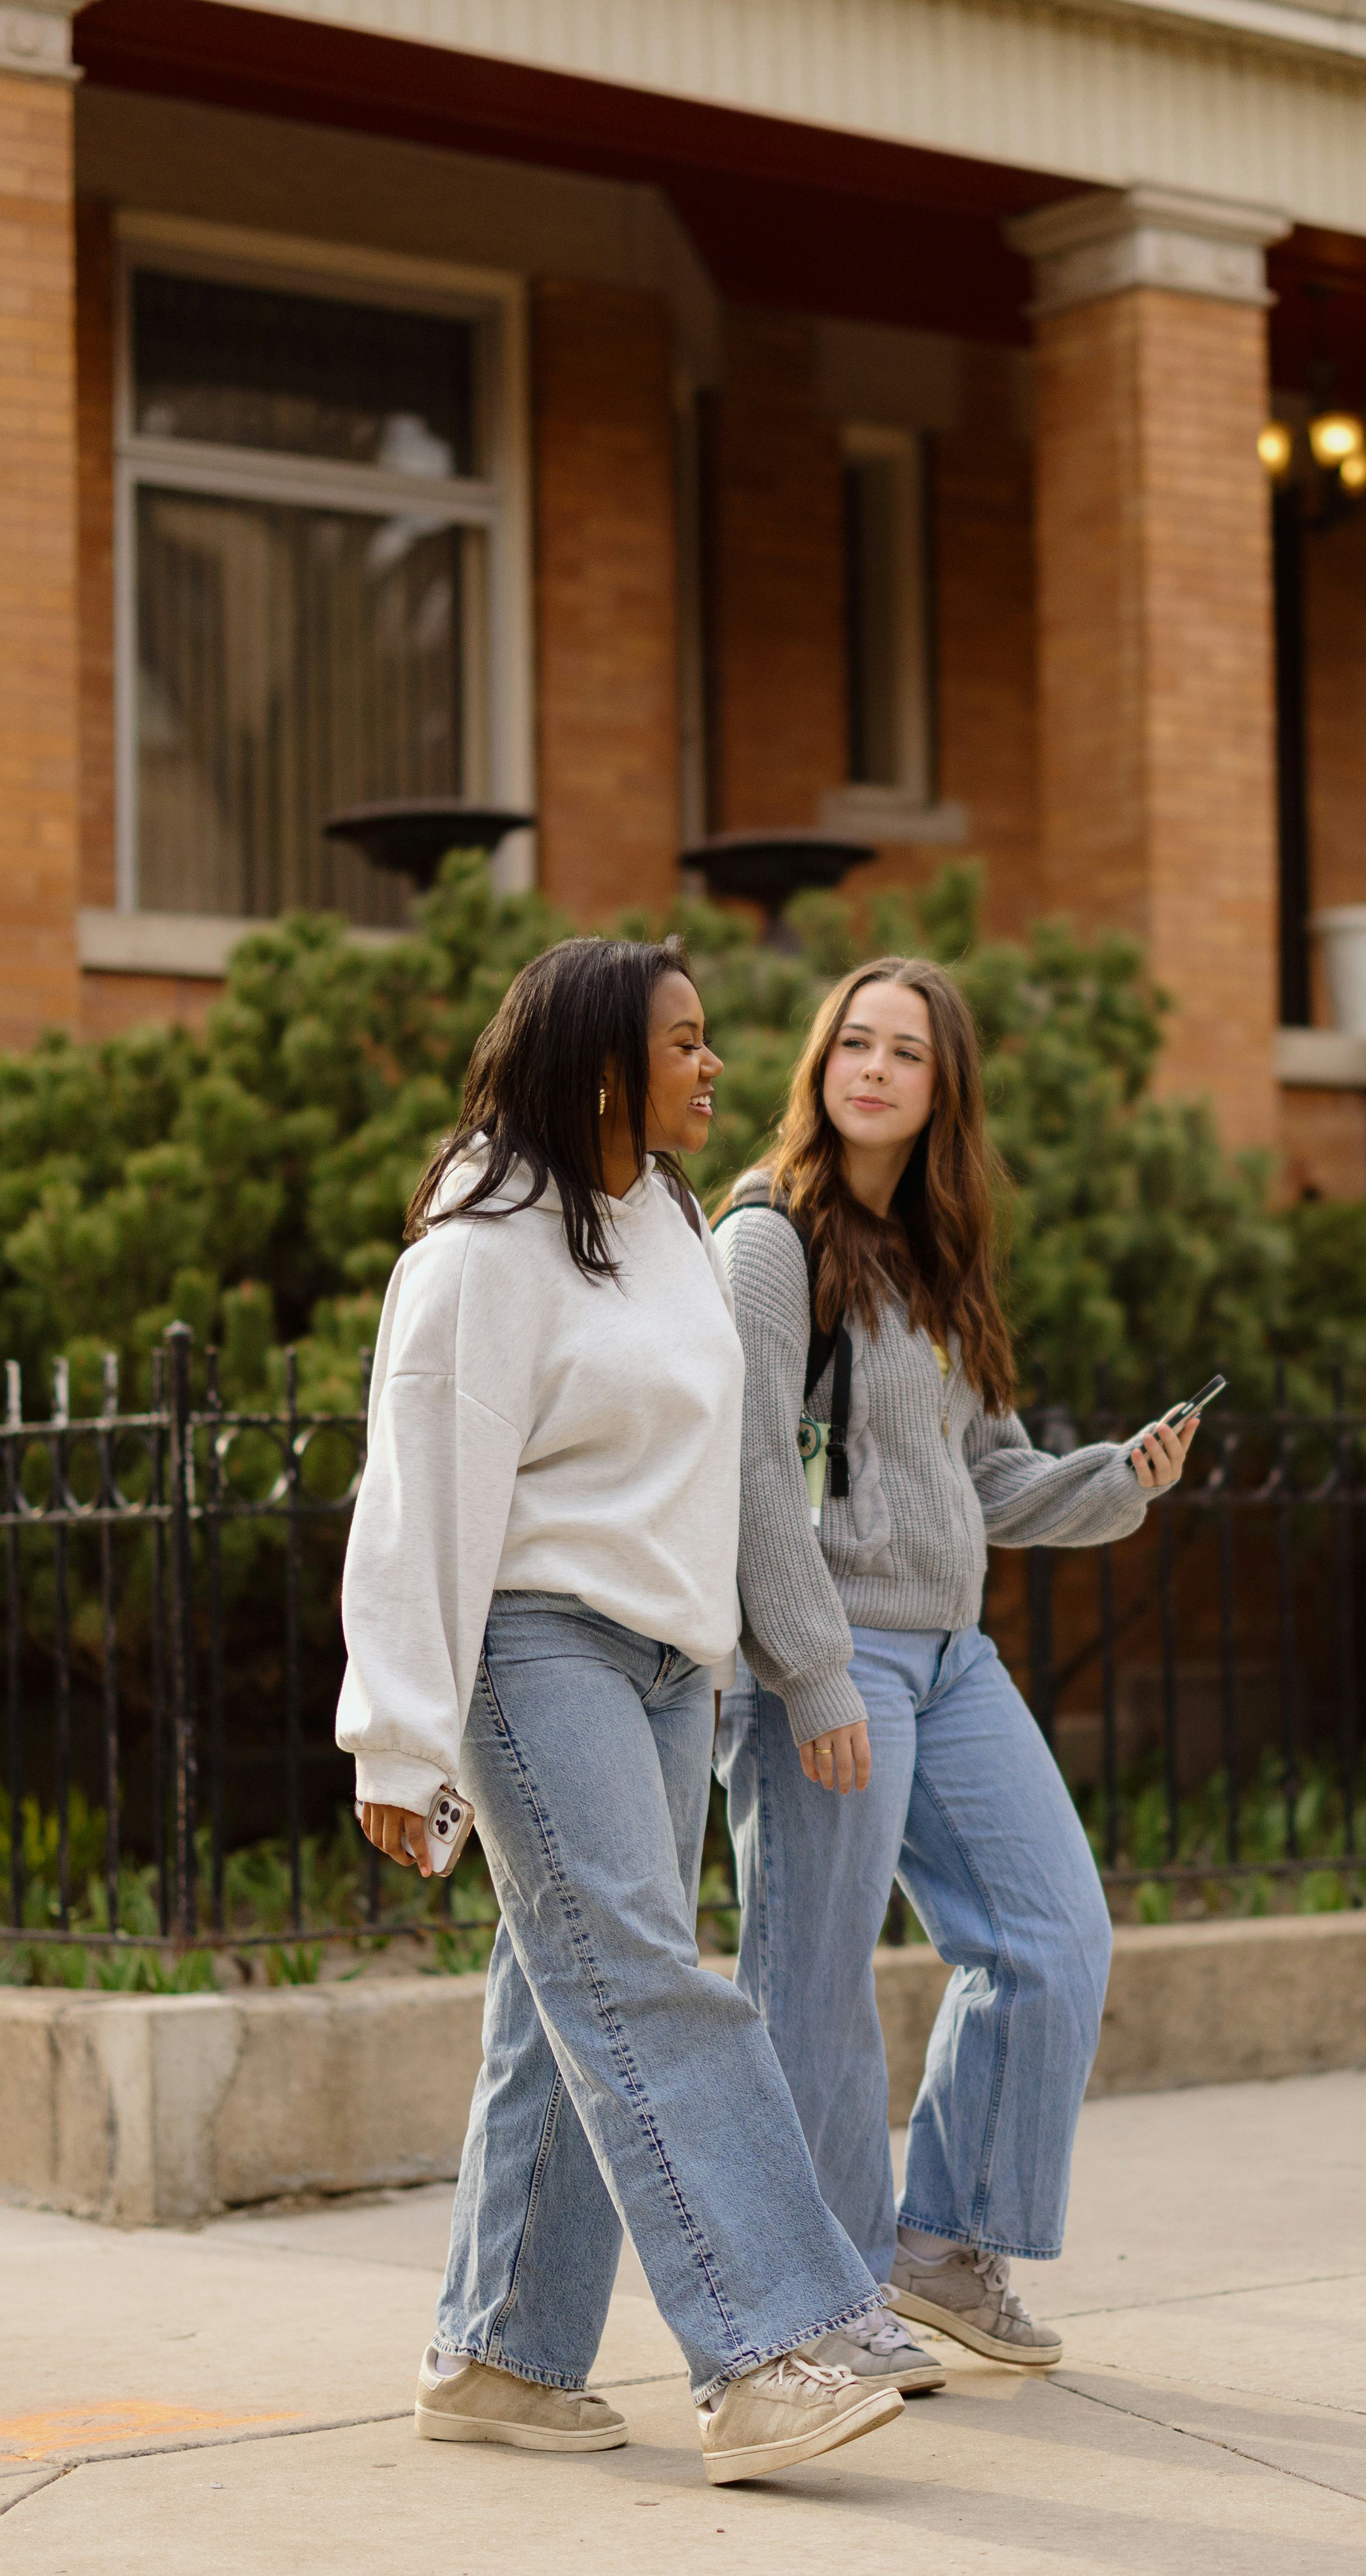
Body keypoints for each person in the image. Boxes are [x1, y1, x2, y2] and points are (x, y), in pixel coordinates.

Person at [337, 934, 905, 2488]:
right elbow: (423, 1496)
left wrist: (733, 1649)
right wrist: (400, 1731)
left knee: (564, 1988)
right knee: (651, 1983)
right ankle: (769, 2343)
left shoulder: (658, 1217)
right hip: (539, 1652)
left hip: (665, 1663)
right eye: (688, 1043)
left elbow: (716, 1462)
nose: (718, 1066)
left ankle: (504, 2354)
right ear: (603, 1068)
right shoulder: (481, 1247)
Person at [714, 954, 1195, 2390]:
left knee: (1054, 1937)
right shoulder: (765, 1240)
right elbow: (746, 1472)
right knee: (812, 1986)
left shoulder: (935, 1254)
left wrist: (1120, 1482)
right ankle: (823, 2295)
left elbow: (984, 1479)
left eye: (903, 1053)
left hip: (952, 1654)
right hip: (831, 1648)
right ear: (820, 1065)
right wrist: (810, 1675)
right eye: (850, 1044)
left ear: (943, 1088)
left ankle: (942, 2248)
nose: (871, 1069)